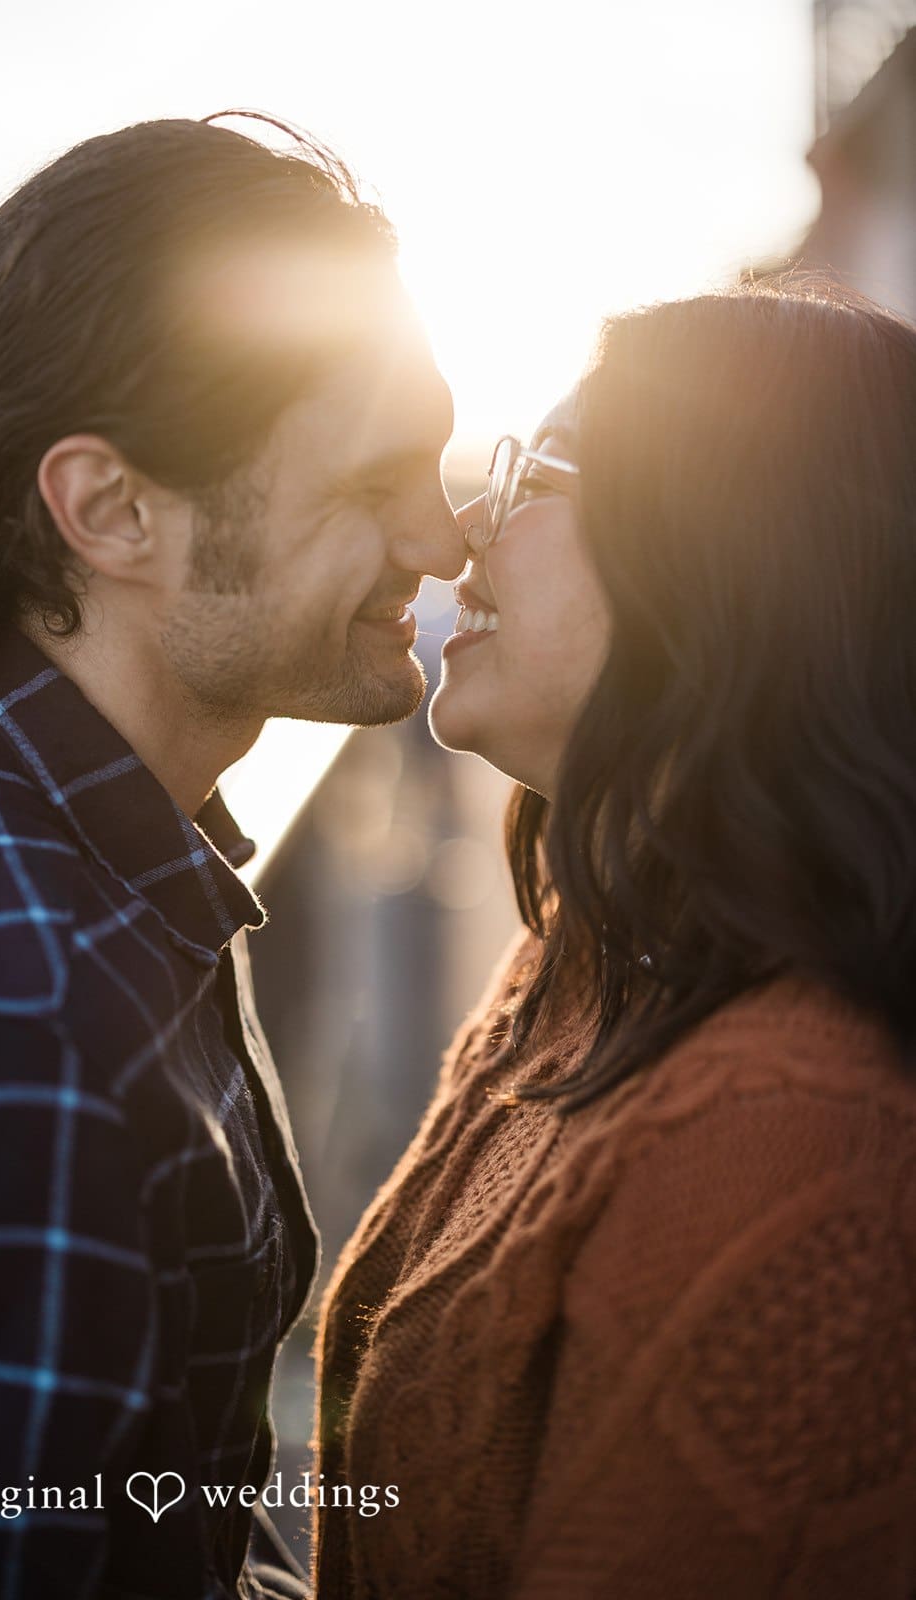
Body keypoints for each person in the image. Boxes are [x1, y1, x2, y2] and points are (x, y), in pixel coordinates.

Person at [0, 115, 464, 1600]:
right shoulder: (19, 1021)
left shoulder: (100, 852)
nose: (443, 541)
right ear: (112, 511)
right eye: (374, 482)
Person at [314, 284, 916, 1598]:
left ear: (726, 562)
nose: (466, 528)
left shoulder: (793, 1132)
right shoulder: (583, 959)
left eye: (537, 475)